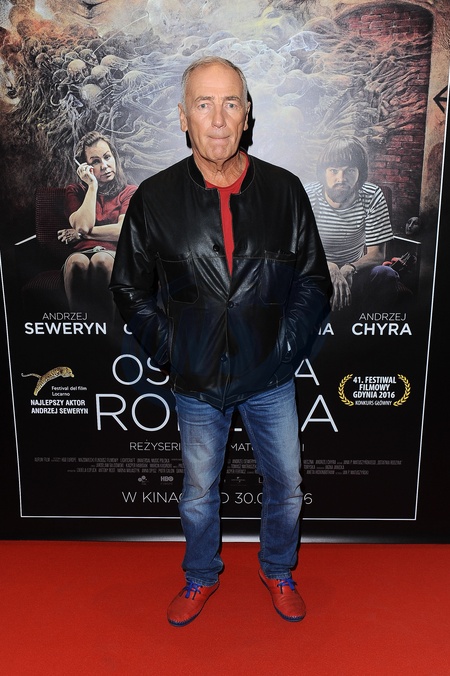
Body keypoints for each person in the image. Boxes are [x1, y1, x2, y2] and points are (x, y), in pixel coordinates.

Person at [110, 56, 331, 626]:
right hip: (196, 378)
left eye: (230, 103)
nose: (217, 119)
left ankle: (278, 569)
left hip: (270, 374)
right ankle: (201, 575)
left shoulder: (285, 190)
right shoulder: (155, 197)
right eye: (203, 104)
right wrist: (174, 350)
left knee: (287, 486)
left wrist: (284, 347)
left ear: (247, 114)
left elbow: (313, 281)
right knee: (198, 492)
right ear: (183, 116)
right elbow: (129, 288)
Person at [305, 135, 399, 313]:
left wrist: (349, 268)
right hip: (313, 272)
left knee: (386, 274)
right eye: (334, 170)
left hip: (354, 272)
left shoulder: (372, 195)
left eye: (349, 171)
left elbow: (377, 254)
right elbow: (295, 250)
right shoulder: (307, 196)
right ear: (323, 173)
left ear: (359, 173)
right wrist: (328, 266)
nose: (341, 178)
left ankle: (368, 328)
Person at [58, 131, 137, 322]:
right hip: (81, 253)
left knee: (101, 260)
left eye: (107, 157)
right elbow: (83, 225)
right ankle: (81, 330)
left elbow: (121, 232)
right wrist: (92, 186)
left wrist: (80, 235)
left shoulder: (129, 192)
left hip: (113, 254)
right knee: (77, 262)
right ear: (83, 167)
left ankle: (108, 331)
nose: (104, 166)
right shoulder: (75, 191)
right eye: (95, 162)